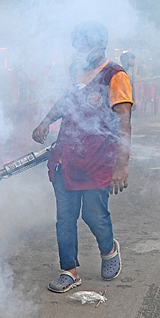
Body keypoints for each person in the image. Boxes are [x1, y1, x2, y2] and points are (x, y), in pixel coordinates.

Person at [31, 21, 132, 293]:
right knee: (65, 218)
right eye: (76, 45)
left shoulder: (116, 76)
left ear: (98, 45)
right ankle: (69, 271)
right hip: (66, 157)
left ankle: (109, 250)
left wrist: (121, 165)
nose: (77, 50)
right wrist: (46, 122)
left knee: (94, 215)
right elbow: (66, 101)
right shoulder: (75, 71)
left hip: (98, 160)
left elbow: (124, 123)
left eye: (82, 45)